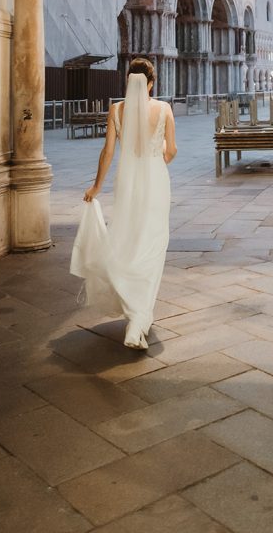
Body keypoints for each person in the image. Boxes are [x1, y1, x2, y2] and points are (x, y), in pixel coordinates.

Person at [70, 57, 177, 350]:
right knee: (153, 244)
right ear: (152, 83)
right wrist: (156, 162)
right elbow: (172, 150)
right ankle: (139, 320)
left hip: (127, 184)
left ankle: (135, 312)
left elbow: (107, 152)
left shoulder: (117, 110)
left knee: (127, 239)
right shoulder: (164, 108)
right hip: (156, 183)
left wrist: (96, 186)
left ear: (128, 82)